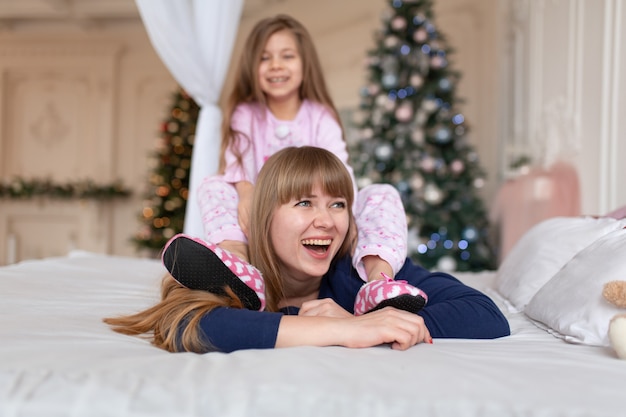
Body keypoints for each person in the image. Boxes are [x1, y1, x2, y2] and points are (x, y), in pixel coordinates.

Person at [105, 147, 510, 353]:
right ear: (264, 218)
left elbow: (486, 316)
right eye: (304, 203)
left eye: (338, 204)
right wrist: (347, 330)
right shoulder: (231, 271)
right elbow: (186, 323)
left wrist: (370, 315)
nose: (327, 220)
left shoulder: (356, 271)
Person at [192, 14, 420, 315]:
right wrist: (247, 194)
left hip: (316, 213)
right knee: (213, 184)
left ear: (304, 64)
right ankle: (237, 267)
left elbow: (340, 168)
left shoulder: (319, 115)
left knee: (383, 193)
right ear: (252, 67)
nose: (276, 65)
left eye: (287, 56)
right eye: (265, 58)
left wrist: (346, 213)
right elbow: (237, 162)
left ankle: (378, 282)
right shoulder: (246, 113)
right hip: (265, 215)